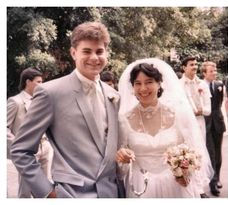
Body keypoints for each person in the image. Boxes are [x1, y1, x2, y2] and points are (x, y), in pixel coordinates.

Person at [10, 22, 120, 198]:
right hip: (71, 194)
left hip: (112, 194)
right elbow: (20, 150)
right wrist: (48, 193)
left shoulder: (114, 96)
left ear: (106, 53)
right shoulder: (50, 92)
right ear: (73, 53)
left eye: (99, 51)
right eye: (86, 51)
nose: (94, 57)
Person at [116, 58, 213, 198]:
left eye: (149, 82)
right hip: (141, 186)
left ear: (159, 83)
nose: (143, 88)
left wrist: (186, 172)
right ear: (132, 87)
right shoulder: (124, 119)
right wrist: (122, 159)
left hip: (176, 186)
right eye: (138, 83)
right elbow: (121, 169)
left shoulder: (178, 114)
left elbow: (195, 151)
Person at [7, 67, 53, 197]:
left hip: (45, 148)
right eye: (38, 82)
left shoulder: (42, 100)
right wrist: (18, 143)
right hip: (27, 151)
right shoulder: (15, 102)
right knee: (26, 190)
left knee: (46, 189)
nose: (41, 85)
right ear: (28, 82)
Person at [180, 57, 212, 198]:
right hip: (184, 123)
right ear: (184, 67)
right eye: (191, 65)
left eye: (195, 64)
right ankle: (189, 186)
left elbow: (208, 109)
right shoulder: (178, 84)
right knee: (186, 154)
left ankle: (200, 189)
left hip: (199, 122)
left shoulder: (202, 84)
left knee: (199, 153)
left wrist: (199, 111)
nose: (194, 67)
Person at [201, 61, 226, 197]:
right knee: (210, 153)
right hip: (206, 124)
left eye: (215, 70)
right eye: (211, 71)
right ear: (204, 73)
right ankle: (213, 182)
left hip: (218, 122)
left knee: (218, 153)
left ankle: (218, 177)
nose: (214, 73)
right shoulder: (200, 85)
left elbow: (220, 103)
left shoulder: (219, 85)